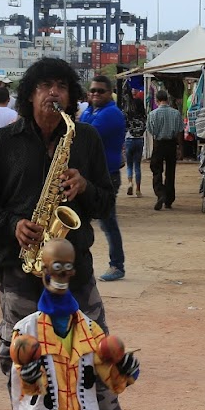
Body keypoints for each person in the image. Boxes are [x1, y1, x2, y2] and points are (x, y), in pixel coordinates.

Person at [0, 56, 158, 410]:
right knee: (21, 355)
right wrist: (13, 226)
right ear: (29, 94)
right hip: (20, 267)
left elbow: (106, 202)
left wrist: (85, 186)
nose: (53, 93)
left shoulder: (84, 139)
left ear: (71, 97)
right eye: (44, 86)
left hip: (75, 266)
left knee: (99, 349)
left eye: (61, 86)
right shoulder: (2, 144)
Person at [10, 239, 141, 410]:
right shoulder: (26, 330)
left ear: (73, 271)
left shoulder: (90, 330)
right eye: (55, 266)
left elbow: (111, 381)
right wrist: (30, 376)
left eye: (67, 267)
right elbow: (24, 387)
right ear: (43, 270)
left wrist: (125, 368)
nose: (61, 273)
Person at [80, 75, 128, 282]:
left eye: (100, 91)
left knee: (108, 222)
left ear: (109, 93)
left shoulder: (111, 114)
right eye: (92, 91)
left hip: (107, 175)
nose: (95, 94)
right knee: (87, 220)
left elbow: (84, 133)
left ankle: (117, 265)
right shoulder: (94, 110)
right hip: (94, 174)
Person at [146, 90, 181, 211]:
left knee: (156, 169)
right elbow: (179, 129)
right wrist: (179, 147)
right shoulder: (176, 113)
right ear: (167, 99)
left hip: (159, 144)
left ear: (157, 100)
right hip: (171, 143)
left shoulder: (152, 114)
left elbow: (151, 130)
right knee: (170, 172)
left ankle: (160, 193)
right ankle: (169, 200)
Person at [124, 99, 146, 198]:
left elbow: (125, 128)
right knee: (137, 166)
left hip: (129, 140)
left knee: (129, 165)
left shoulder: (128, 116)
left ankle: (129, 183)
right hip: (139, 141)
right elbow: (145, 128)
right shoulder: (143, 117)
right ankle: (138, 189)